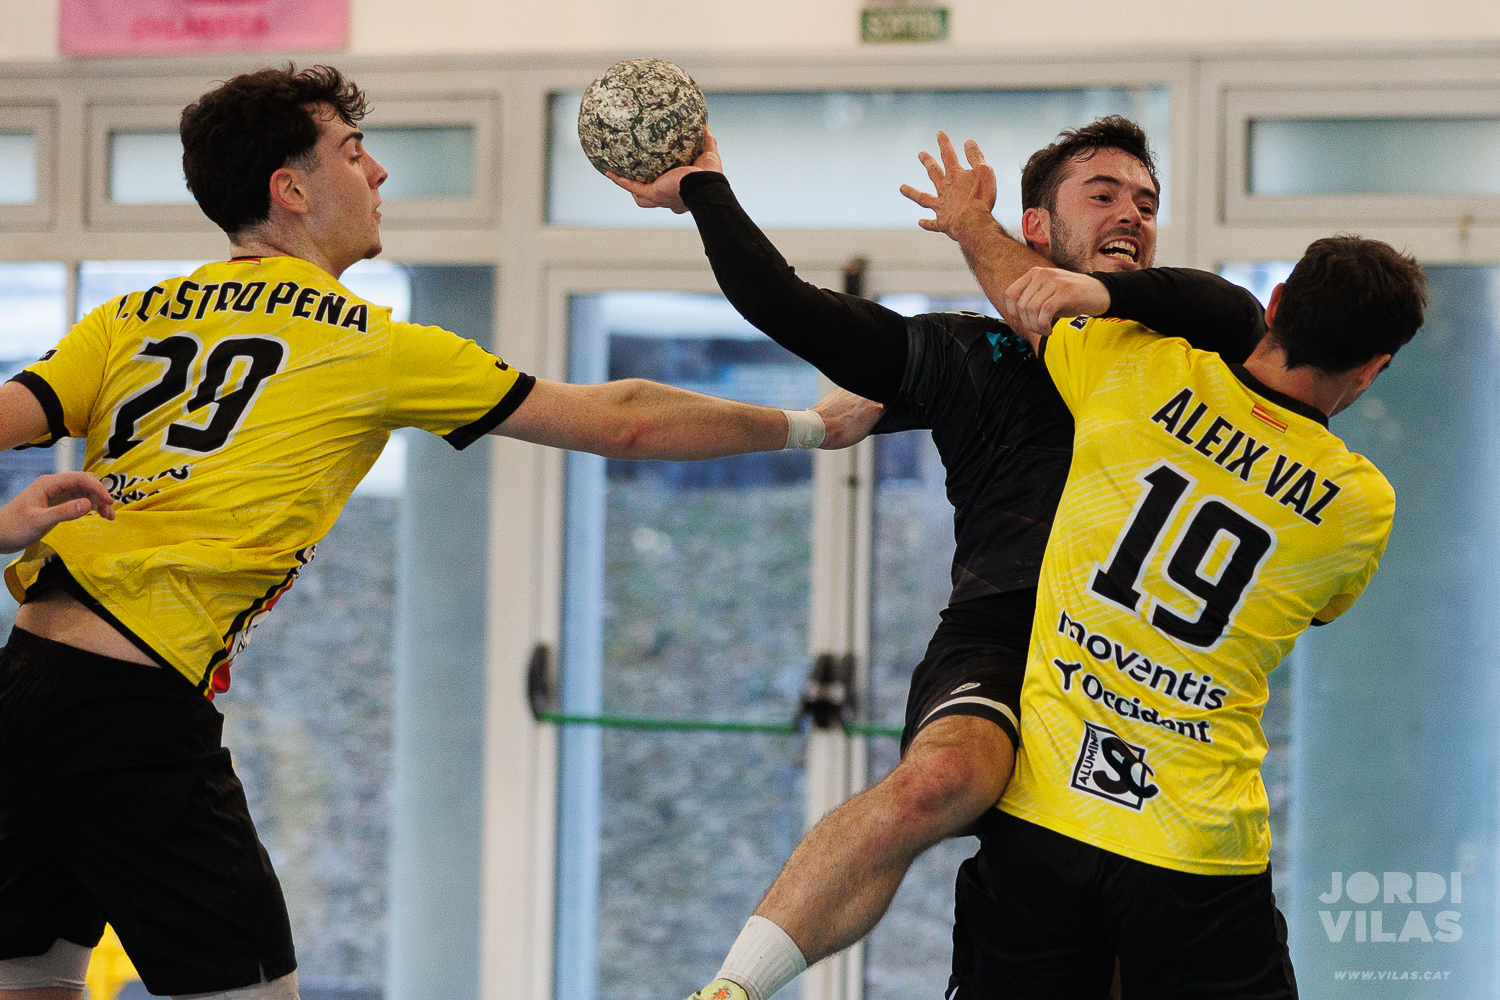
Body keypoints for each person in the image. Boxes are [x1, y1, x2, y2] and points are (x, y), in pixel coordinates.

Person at [0, 65, 870, 1000]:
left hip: (23, 689)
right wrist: (812, 426)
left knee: (34, 980)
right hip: (132, 712)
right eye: (353, 153)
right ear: (291, 190)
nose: (377, 174)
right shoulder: (369, 345)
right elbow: (621, 420)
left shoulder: (128, 320)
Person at [610, 118, 1267, 1000]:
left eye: (1147, 203)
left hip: (1138, 657)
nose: (1132, 214)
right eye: (1103, 195)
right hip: (1004, 628)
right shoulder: (967, 352)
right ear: (1037, 226)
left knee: (1126, 932)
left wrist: (986, 237)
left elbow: (1236, 311)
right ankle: (731, 989)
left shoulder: (1193, 349)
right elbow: (785, 304)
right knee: (942, 778)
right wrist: (704, 189)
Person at [956, 234, 1424, 997]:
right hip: (1196, 850)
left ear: (1276, 304)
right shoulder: (1358, 505)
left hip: (1046, 813)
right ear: (1374, 367)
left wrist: (971, 222)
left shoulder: (1138, 367)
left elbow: (1028, 297)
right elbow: (1321, 608)